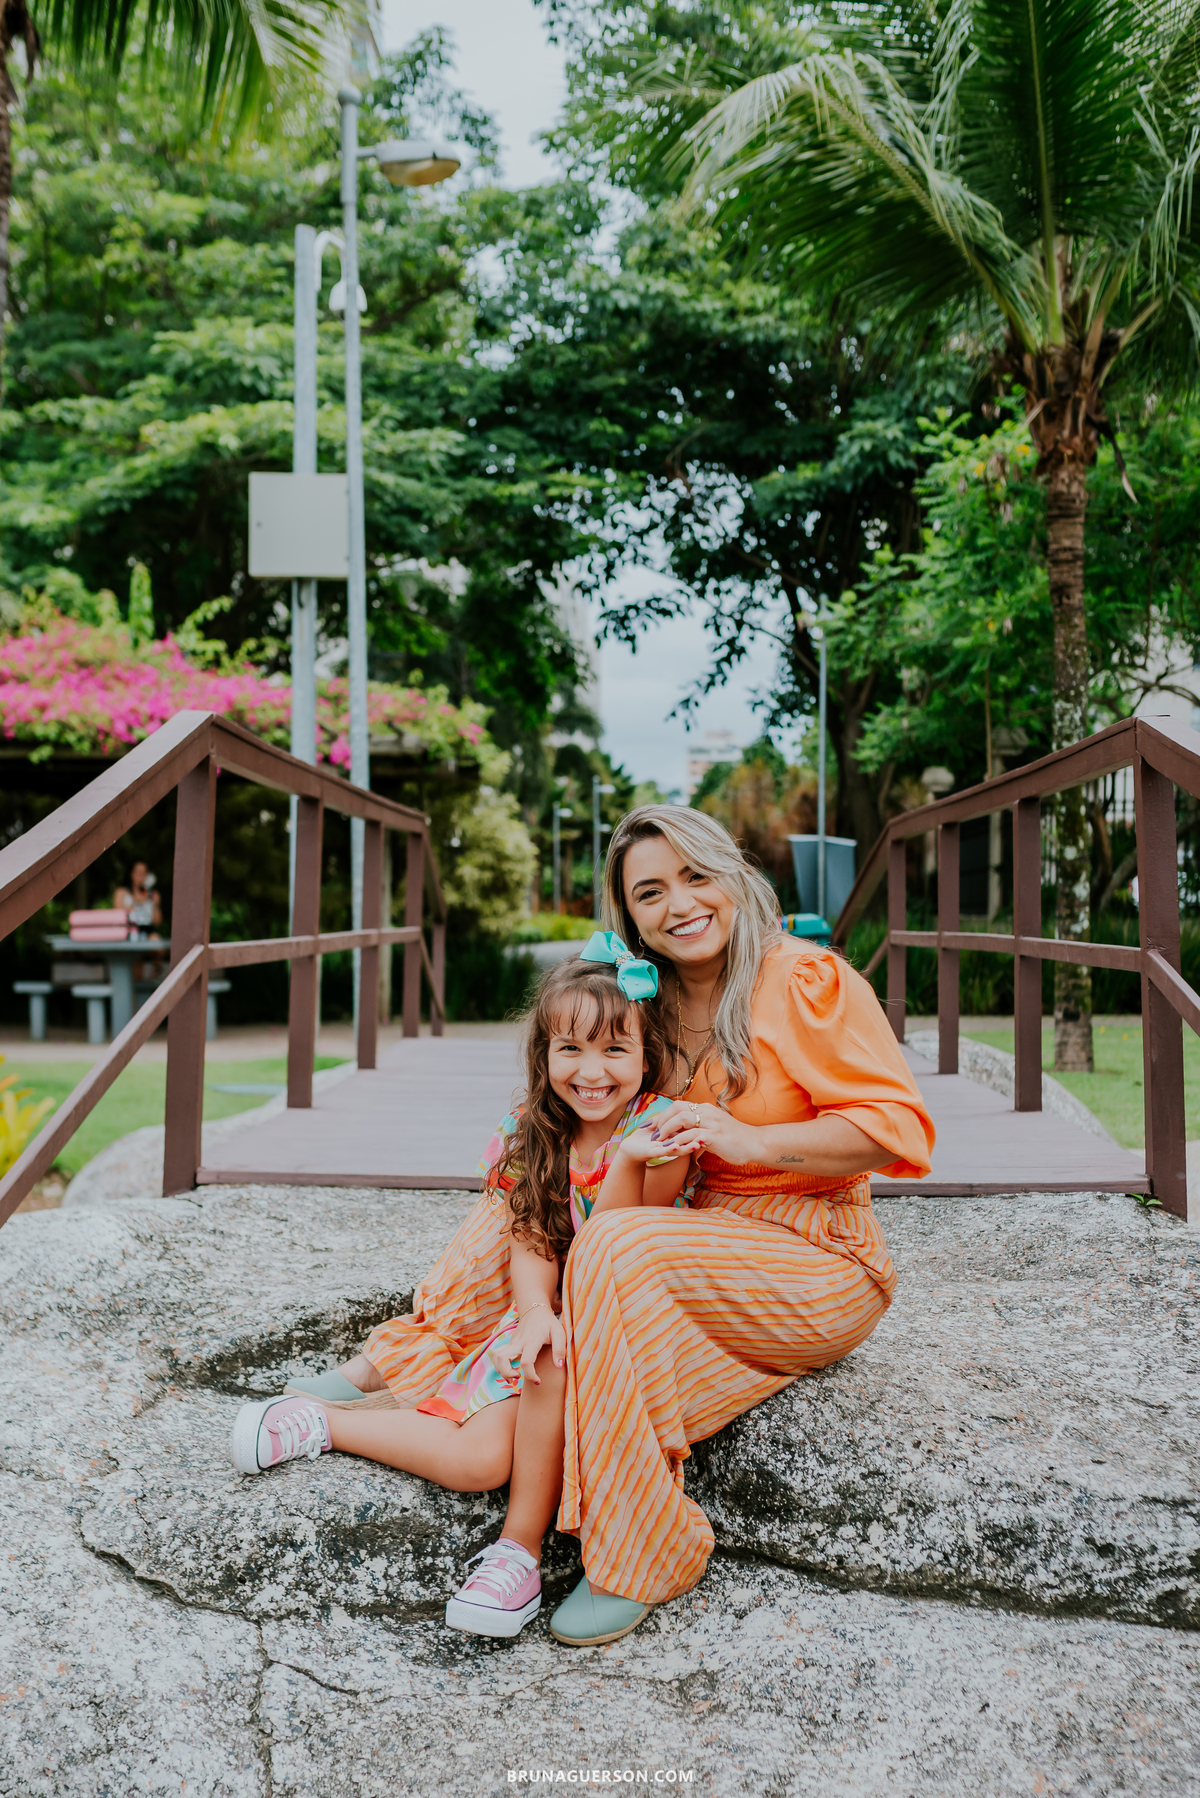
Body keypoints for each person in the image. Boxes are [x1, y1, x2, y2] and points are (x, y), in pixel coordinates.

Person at [540, 805, 935, 1647]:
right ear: (628, 913)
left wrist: (749, 1137)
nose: (679, 903)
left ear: (732, 874)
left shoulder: (801, 978)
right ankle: (397, 1363)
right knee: (541, 1301)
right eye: (650, 891)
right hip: (701, 1243)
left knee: (608, 1250)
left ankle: (643, 1553)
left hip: (817, 1251)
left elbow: (897, 1127)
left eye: (695, 875)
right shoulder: (643, 1002)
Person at [228, 943, 695, 1639]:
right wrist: (536, 1312)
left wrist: (624, 1159)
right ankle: (320, 1426)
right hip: (549, 1328)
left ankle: (519, 1549)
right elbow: (534, 1241)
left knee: (558, 1352)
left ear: (648, 1056)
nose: (591, 1072)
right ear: (544, 1054)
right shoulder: (539, 1132)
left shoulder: (658, 1135)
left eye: (614, 1051)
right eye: (570, 1048)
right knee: (480, 1457)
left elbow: (617, 1247)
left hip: (619, 1325)